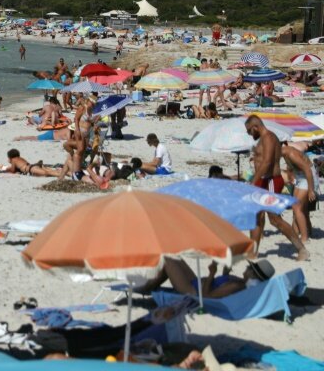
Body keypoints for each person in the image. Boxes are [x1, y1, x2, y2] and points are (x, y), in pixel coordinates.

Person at [245, 115, 309, 260]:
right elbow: (267, 158)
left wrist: (253, 180)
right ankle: (252, 252)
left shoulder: (268, 138)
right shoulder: (265, 139)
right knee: (256, 216)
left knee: (274, 219)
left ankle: (301, 249)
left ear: (255, 127)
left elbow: (267, 163)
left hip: (271, 181)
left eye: (249, 131)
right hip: (264, 181)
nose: (249, 134)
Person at [136, 257, 275, 299]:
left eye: (249, 268)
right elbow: (221, 288)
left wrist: (212, 274)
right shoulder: (240, 283)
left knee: (167, 260)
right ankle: (150, 286)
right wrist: (225, 273)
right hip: (197, 284)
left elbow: (207, 296)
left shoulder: (237, 286)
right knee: (175, 257)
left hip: (194, 291)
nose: (246, 268)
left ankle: (147, 287)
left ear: (253, 274)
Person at [281, 143, 318, 243]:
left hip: (308, 177)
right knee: (298, 208)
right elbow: (290, 167)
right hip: (299, 177)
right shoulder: (284, 154)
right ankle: (296, 234)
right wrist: (290, 176)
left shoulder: (292, 154)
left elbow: (308, 170)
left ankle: (305, 238)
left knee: (297, 207)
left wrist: (311, 190)